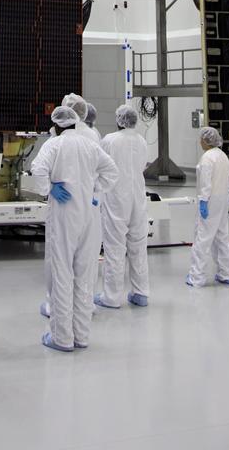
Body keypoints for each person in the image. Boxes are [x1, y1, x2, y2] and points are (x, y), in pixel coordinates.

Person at [31, 105, 118, 352]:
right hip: (89, 216)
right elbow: (112, 171)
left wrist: (48, 188)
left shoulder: (54, 145)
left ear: (57, 125)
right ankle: (81, 335)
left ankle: (61, 337)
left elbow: (38, 169)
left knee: (61, 273)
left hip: (64, 214)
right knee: (84, 274)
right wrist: (95, 189)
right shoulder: (90, 145)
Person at [95, 103, 149, 309]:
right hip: (138, 197)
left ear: (119, 120)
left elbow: (100, 166)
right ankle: (141, 292)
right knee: (138, 246)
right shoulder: (142, 141)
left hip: (116, 198)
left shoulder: (109, 140)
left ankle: (112, 297)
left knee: (114, 247)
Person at [186, 126, 229, 287]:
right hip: (222, 200)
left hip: (210, 200)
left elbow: (206, 183)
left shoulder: (207, 158)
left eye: (201, 139)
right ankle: (225, 273)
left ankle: (196, 277)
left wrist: (204, 202)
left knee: (203, 239)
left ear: (206, 141)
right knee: (221, 237)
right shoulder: (222, 155)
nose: (199, 142)